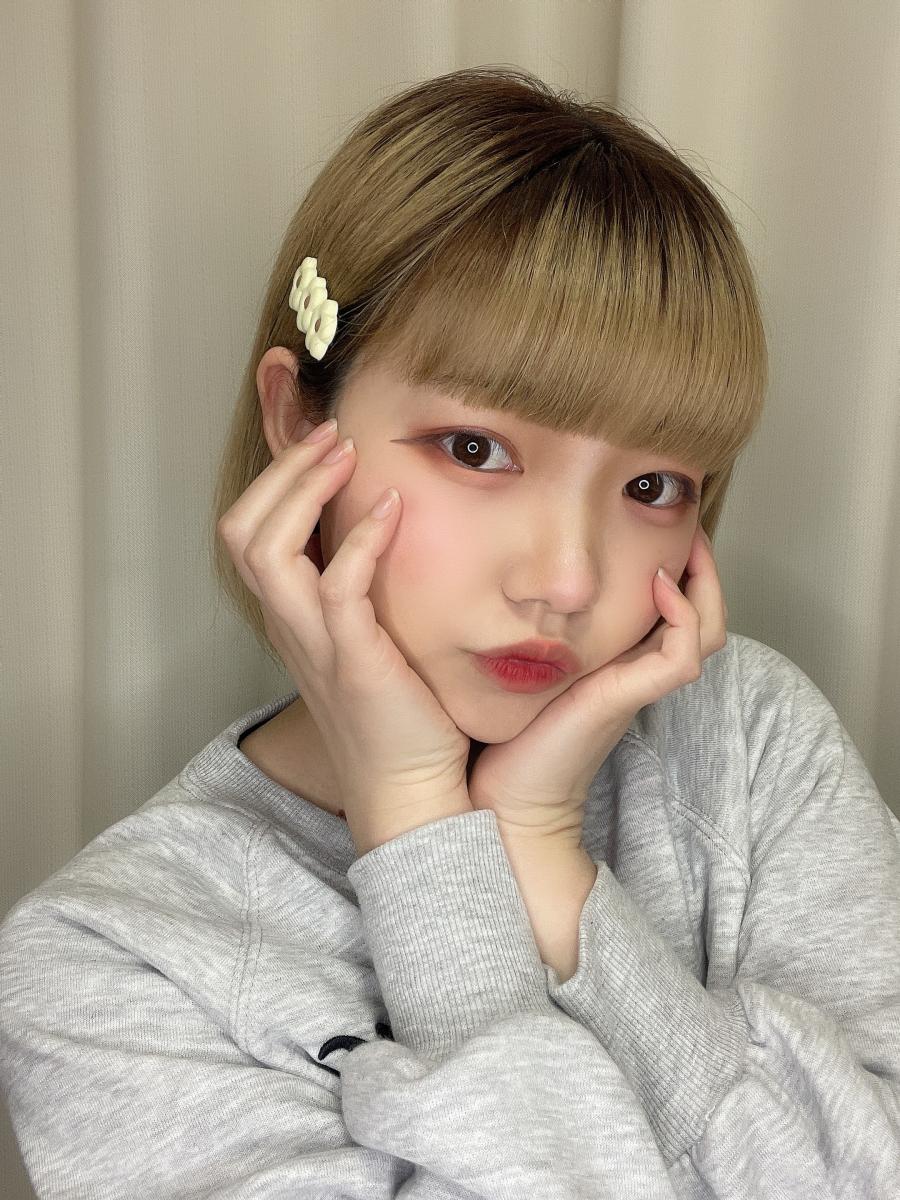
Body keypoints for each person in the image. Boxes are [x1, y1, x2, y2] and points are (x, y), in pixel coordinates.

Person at [1, 65, 898, 1199]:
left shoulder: (751, 742)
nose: (567, 580)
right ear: (298, 421)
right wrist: (421, 825)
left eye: (654, 486)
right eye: (476, 450)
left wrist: (541, 845)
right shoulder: (114, 960)